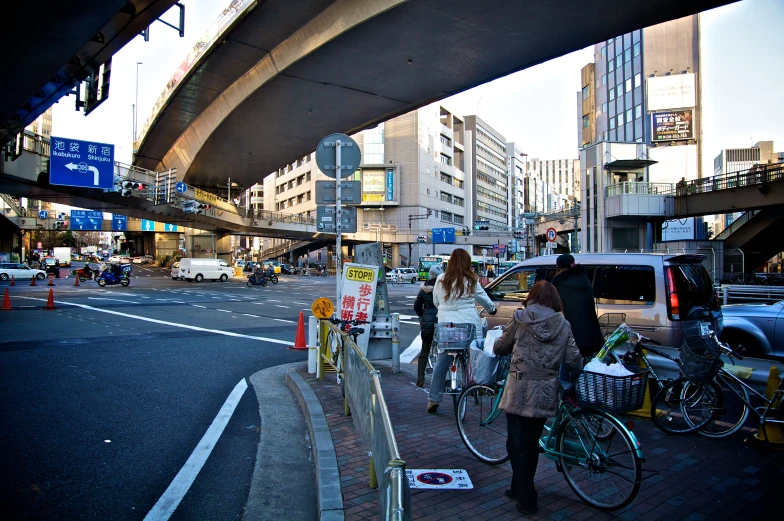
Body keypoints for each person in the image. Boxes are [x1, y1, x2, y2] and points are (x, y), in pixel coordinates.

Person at [493, 281, 582, 515]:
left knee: (515, 443)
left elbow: (500, 347)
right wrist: (572, 382)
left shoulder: (520, 317)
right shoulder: (563, 324)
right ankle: (517, 487)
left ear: (532, 297)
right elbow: (574, 360)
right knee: (530, 445)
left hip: (519, 387)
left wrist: (501, 344)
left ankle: (527, 496)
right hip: (545, 389)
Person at [427, 249, 496, 413]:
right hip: (467, 325)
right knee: (472, 355)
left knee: (442, 360)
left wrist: (445, 309)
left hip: (447, 326)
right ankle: (473, 388)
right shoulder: (471, 280)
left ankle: (433, 398)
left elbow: (437, 302)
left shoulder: (440, 279)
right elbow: (483, 298)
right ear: (467, 262)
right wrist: (492, 309)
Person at [551, 254, 604, 358]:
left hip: (572, 337)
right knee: (587, 369)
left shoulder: (559, 285)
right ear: (573, 264)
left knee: (566, 368)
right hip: (592, 334)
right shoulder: (584, 279)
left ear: (559, 267)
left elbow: (556, 312)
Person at [413, 265, 443, 387]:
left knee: (425, 349)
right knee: (445, 352)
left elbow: (417, 305)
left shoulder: (424, 288)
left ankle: (420, 377)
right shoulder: (443, 287)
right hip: (441, 319)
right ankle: (441, 379)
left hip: (427, 321)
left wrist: (422, 316)